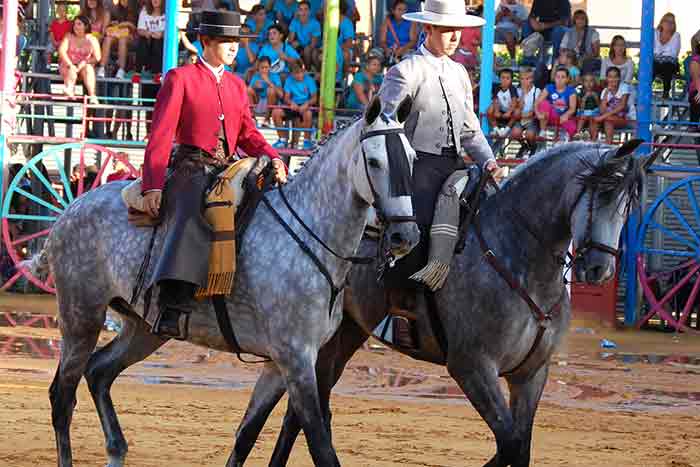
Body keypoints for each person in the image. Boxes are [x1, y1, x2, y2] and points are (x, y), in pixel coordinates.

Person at [141, 10, 286, 339]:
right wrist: (152, 184)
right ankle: (172, 303)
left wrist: (273, 156)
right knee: (192, 214)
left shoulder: (237, 84)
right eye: (226, 41)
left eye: (236, 41)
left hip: (227, 166)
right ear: (206, 42)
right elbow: (161, 135)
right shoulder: (180, 78)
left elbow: (248, 134)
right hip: (190, 166)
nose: (234, 47)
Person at [378, 0, 499, 348]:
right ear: (427, 29)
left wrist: (488, 161)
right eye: (446, 30)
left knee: (492, 215)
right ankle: (401, 307)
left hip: (454, 165)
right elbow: (385, 127)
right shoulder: (406, 71)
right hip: (416, 165)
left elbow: (470, 130)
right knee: (418, 223)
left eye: (457, 30)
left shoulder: (459, 73)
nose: (454, 37)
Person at [271, 59, 317, 150]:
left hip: (305, 105)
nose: (299, 75)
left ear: (303, 70)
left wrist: (306, 104)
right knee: (276, 112)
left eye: (301, 72)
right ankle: (282, 139)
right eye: (296, 73)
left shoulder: (310, 80)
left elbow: (314, 98)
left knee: (308, 113)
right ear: (291, 73)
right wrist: (291, 103)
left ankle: (306, 141)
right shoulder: (289, 80)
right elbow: (286, 97)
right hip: (293, 105)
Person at [58, 15, 102, 101]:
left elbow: (97, 57)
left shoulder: (92, 39)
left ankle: (92, 95)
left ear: (86, 26)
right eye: (74, 24)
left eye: (79, 24)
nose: (75, 26)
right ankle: (69, 89)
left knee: (89, 69)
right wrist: (70, 64)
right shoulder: (68, 36)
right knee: (71, 69)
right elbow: (61, 51)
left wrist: (85, 62)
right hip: (68, 64)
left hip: (83, 66)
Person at [97, 0, 138, 79]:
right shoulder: (114, 8)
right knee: (108, 39)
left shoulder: (135, 7)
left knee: (122, 39)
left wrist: (127, 24)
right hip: (116, 34)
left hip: (131, 36)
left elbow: (137, 28)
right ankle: (102, 67)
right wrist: (114, 25)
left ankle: (121, 69)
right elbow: (106, 28)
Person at [536, 66, 577, 143]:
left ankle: (566, 145)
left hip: (563, 118)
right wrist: (537, 113)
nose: (560, 79)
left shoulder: (571, 91)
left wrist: (565, 115)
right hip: (549, 116)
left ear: (567, 79)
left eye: (563, 77)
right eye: (558, 77)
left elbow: (572, 108)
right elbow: (538, 102)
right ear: (554, 78)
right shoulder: (549, 87)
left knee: (573, 128)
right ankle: (543, 131)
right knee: (544, 103)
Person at [521, 0, 571, 64]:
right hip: (541, 30)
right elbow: (531, 16)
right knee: (526, 24)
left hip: (557, 31)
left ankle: (556, 62)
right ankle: (528, 59)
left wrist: (544, 26)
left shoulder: (563, 2)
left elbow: (564, 22)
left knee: (558, 31)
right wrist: (534, 23)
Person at [595, 66, 630, 144]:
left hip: (625, 119)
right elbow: (602, 110)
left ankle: (608, 146)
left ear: (619, 78)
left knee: (608, 120)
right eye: (610, 77)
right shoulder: (605, 91)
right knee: (595, 120)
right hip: (608, 118)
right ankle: (593, 144)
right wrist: (607, 92)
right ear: (607, 78)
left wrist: (602, 117)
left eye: (615, 77)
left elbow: (622, 106)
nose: (613, 79)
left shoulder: (624, 87)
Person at [559, 9, 600, 74]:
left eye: (582, 18)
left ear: (586, 20)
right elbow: (562, 49)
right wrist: (571, 58)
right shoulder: (569, 33)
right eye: (577, 18)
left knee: (587, 64)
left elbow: (596, 53)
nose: (580, 21)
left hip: (588, 59)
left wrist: (584, 58)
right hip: (571, 59)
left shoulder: (593, 32)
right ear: (574, 20)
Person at [511, 68, 540, 159]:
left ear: (532, 79)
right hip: (521, 118)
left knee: (530, 134)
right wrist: (523, 94)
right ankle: (524, 146)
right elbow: (519, 107)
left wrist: (522, 115)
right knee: (515, 133)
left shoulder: (537, 91)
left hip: (532, 119)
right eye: (522, 79)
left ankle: (532, 147)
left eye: (527, 79)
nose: (524, 81)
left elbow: (534, 110)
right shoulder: (518, 91)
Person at [378, 0, 417, 66]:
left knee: (409, 61)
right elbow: (382, 41)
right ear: (393, 11)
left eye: (404, 10)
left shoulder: (411, 22)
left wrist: (402, 49)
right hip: (389, 49)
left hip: (406, 49)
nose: (402, 12)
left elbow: (413, 41)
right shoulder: (387, 21)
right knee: (374, 56)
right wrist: (387, 49)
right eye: (399, 9)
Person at [654, 12, 681, 99]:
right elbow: (653, 50)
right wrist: (663, 53)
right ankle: (645, 91)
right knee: (650, 66)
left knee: (667, 66)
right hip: (656, 62)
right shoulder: (655, 33)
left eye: (672, 22)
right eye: (667, 21)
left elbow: (673, 54)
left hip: (670, 63)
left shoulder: (676, 35)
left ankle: (666, 92)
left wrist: (659, 54)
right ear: (661, 22)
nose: (669, 24)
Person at [288, 0, 321, 71]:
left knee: (307, 50)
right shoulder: (295, 21)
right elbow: (290, 40)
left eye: (306, 9)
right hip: (301, 45)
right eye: (301, 10)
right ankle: (293, 71)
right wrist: (296, 44)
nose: (303, 12)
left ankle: (307, 70)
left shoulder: (315, 24)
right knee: (291, 47)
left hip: (315, 47)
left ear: (309, 11)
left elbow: (313, 44)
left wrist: (301, 47)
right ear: (298, 11)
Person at [487, 68, 519, 140]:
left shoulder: (512, 88)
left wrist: (509, 112)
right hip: (500, 111)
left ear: (511, 80)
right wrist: (496, 110)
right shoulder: (496, 88)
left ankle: (506, 130)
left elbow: (514, 101)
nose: (505, 80)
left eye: (507, 78)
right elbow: (496, 100)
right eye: (503, 77)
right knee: (489, 110)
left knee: (517, 112)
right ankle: (496, 129)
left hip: (509, 112)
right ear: (499, 79)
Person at [135, 0, 165, 74]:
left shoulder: (168, 12)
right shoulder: (145, 11)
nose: (155, 0)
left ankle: (157, 73)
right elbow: (140, 29)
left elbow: (172, 30)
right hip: (148, 42)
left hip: (162, 44)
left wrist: (162, 34)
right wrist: (146, 33)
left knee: (157, 42)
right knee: (142, 40)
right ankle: (138, 72)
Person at [495, 0, 528, 66]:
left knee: (509, 36)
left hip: (512, 30)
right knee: (484, 36)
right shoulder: (500, 5)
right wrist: (501, 14)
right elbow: (494, 22)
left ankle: (513, 61)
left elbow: (524, 24)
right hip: (498, 30)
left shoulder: (521, 7)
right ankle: (495, 58)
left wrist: (512, 16)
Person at [574, 73, 600, 141]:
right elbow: (581, 108)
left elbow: (599, 107)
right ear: (582, 83)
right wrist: (584, 98)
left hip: (594, 112)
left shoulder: (597, 92)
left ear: (594, 82)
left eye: (591, 81)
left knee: (593, 119)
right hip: (583, 112)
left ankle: (593, 139)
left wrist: (596, 98)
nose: (589, 83)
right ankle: (577, 134)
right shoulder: (580, 92)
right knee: (583, 117)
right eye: (586, 81)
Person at [689, 31, 700, 126]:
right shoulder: (696, 59)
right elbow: (696, 78)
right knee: (696, 97)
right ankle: (693, 124)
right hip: (696, 90)